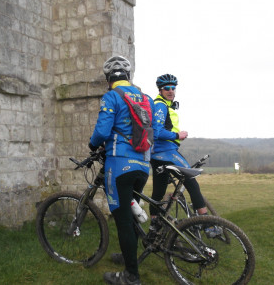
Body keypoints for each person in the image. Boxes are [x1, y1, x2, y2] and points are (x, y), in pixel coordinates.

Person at [89, 55, 155, 285]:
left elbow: (102, 132)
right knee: (132, 214)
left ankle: (131, 276)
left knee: (123, 220)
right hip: (142, 166)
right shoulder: (145, 97)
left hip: (119, 165)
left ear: (109, 79)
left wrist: (92, 144)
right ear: (128, 76)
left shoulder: (112, 96)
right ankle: (130, 259)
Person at [148, 73, 221, 238]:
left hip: (157, 155)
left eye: (173, 88)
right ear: (160, 89)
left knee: (158, 193)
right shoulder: (160, 105)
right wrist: (177, 135)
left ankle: (154, 228)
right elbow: (157, 132)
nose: (171, 91)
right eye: (167, 88)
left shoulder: (165, 105)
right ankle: (206, 224)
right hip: (166, 152)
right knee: (191, 181)